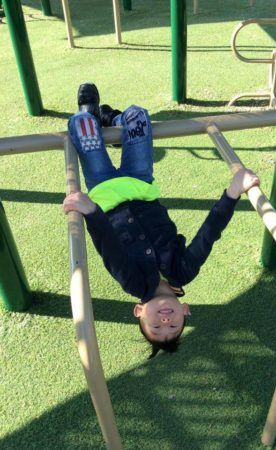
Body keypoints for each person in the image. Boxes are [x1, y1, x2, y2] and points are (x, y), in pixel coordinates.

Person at [63, 83, 260, 358]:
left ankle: (91, 115)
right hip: (140, 183)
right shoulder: (183, 270)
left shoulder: (134, 283)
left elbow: (110, 249)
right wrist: (232, 193)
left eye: (156, 326)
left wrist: (91, 212)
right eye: (175, 325)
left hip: (104, 193)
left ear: (139, 311)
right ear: (185, 309)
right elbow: (208, 235)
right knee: (137, 116)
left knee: (82, 124)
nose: (166, 321)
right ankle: (112, 120)